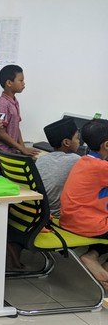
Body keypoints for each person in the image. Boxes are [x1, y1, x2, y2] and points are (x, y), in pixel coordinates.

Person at [59, 119, 108, 288]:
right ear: (106, 145)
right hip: (86, 224)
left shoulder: (83, 160)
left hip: (69, 220)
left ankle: (95, 258)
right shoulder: (102, 168)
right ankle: (95, 259)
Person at [35, 117, 80, 218]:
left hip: (40, 210)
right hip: (57, 215)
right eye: (77, 137)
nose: (79, 141)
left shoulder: (41, 159)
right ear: (66, 142)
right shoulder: (76, 160)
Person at [0, 65, 39, 156]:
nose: (23, 83)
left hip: (11, 151)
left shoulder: (14, 102)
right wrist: (21, 148)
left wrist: (23, 148)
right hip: (1, 151)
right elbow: (0, 133)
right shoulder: (3, 104)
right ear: (9, 83)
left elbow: (17, 127)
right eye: (21, 80)